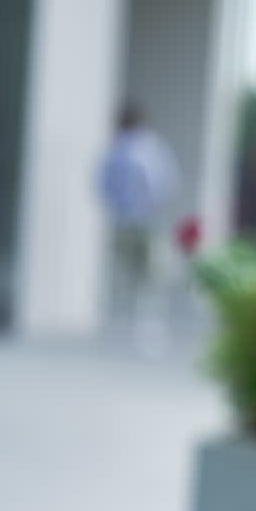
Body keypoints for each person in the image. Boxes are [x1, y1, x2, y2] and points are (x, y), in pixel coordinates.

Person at [98, 101, 179, 353]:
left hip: (132, 220)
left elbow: (103, 183)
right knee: (144, 275)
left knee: (136, 273)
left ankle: (133, 325)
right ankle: (139, 326)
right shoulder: (143, 148)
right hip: (141, 220)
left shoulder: (127, 149)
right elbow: (167, 181)